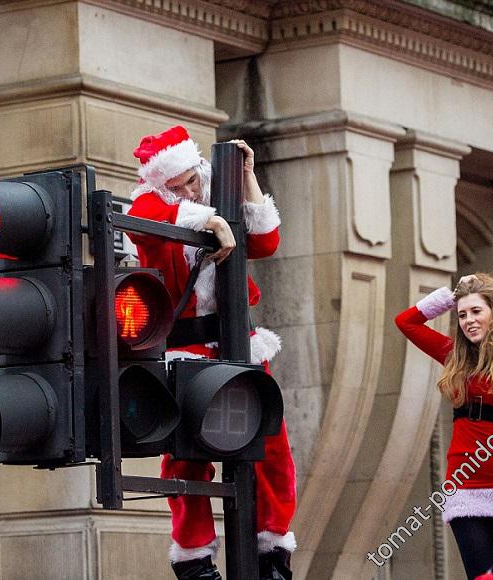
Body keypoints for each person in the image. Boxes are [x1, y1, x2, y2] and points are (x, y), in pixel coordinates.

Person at [126, 125, 297, 580]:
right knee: (187, 458)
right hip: (189, 350)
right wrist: (210, 221)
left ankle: (272, 550)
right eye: (175, 186)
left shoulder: (216, 190)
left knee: (271, 447)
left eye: (191, 181)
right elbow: (149, 215)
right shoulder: (152, 204)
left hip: (239, 344)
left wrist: (246, 178)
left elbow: (265, 240)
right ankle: (195, 558)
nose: (187, 190)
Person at [395, 273, 493, 580]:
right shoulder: (454, 357)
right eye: (462, 314)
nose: (468, 320)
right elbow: (406, 322)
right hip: (466, 488)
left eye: (476, 311)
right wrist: (453, 296)